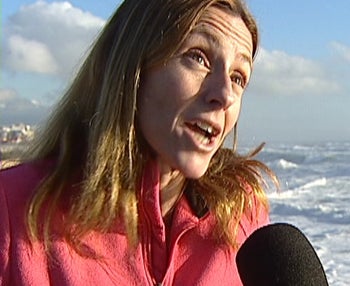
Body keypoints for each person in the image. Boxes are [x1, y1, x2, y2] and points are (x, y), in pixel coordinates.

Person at [0, 0, 277, 285]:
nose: (225, 94)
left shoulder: (241, 214)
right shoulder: (13, 211)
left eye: (238, 78)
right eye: (198, 57)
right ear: (132, 68)